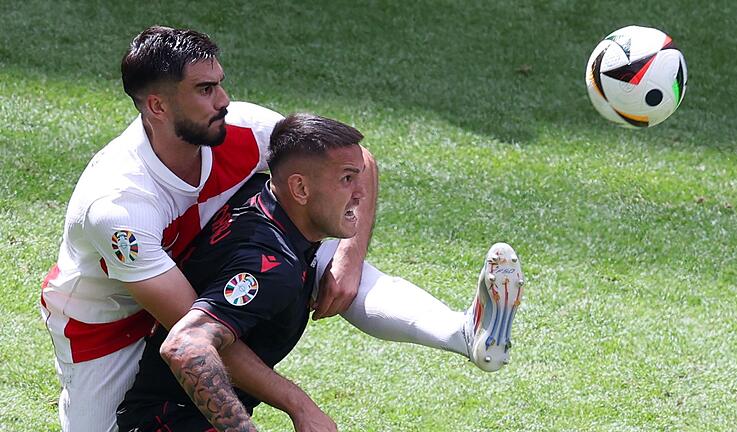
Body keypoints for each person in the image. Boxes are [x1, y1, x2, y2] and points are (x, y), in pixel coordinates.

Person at [39, 26, 525, 432]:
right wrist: (299, 404)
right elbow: (190, 334)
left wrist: (348, 258)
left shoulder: (241, 127)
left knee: (310, 248)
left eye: (220, 83)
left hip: (204, 263)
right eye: (205, 90)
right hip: (107, 323)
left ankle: (466, 334)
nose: (225, 100)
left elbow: (352, 158)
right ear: (158, 107)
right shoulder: (119, 205)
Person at [118, 113, 365, 432]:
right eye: (347, 179)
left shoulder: (258, 190)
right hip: (168, 420)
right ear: (300, 188)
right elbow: (185, 346)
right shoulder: (272, 268)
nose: (360, 192)